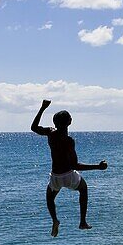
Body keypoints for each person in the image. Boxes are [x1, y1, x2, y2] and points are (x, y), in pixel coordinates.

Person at [31, 99, 108, 237]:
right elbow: (75, 165)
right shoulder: (68, 141)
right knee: (83, 189)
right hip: (68, 176)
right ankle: (82, 222)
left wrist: (42, 108)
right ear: (69, 122)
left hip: (55, 176)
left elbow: (34, 127)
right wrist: (98, 166)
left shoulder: (50, 133)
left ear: (55, 123)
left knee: (50, 198)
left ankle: (55, 220)